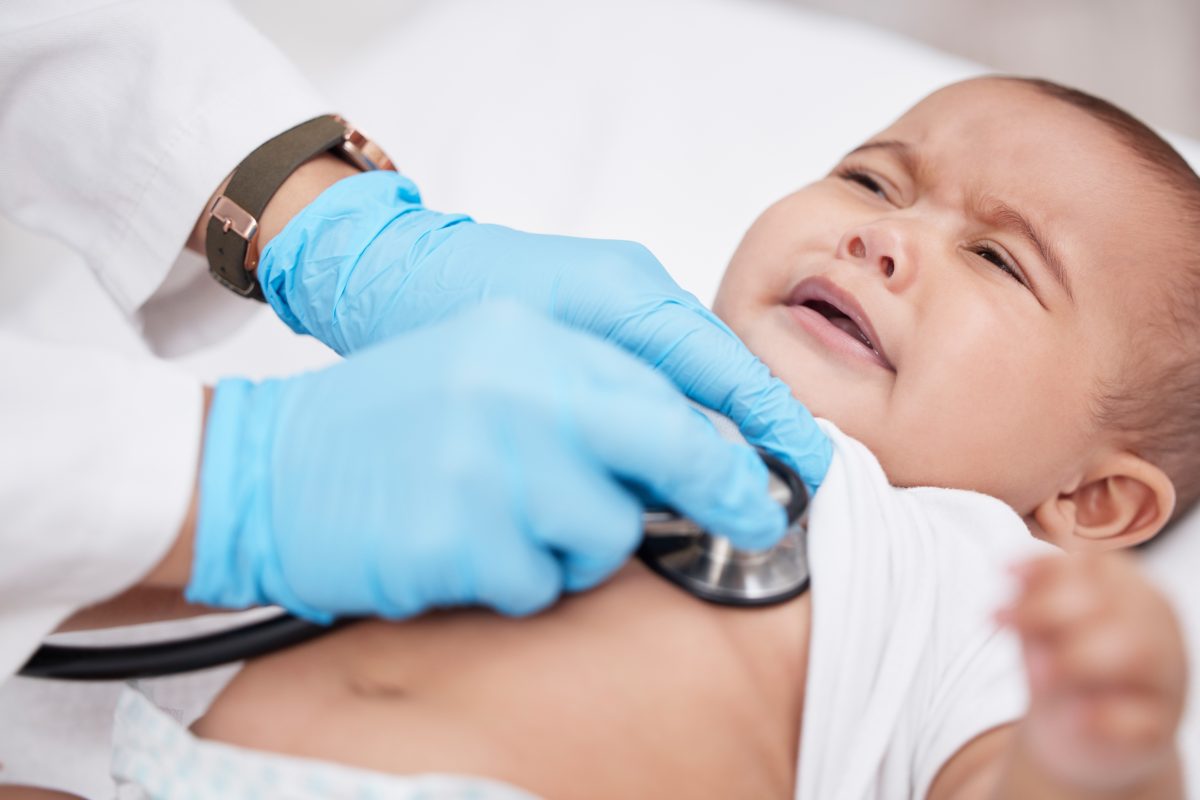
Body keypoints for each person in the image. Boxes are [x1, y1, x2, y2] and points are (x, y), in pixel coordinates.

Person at [66, 75, 1193, 800]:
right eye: (870, 178)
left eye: (999, 258)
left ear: (1093, 505)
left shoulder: (974, 574)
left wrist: (1096, 747)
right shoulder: (543, 362)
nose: (884, 235)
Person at [0, 0, 829, 790]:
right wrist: (234, 478)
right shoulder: (426, 448)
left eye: (971, 252)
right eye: (869, 178)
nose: (889, 237)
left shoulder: (946, 571)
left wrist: (322, 218)